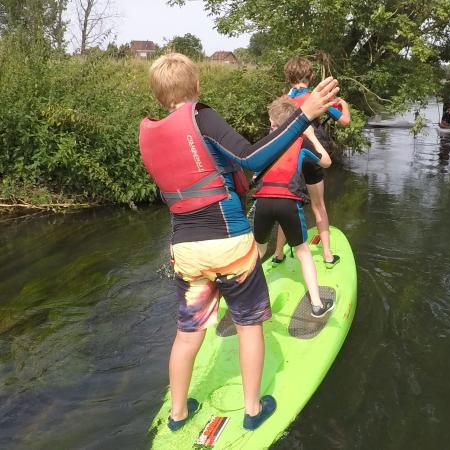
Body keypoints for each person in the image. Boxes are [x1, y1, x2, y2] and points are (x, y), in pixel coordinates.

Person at [138, 53, 339, 432]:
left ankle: (178, 414)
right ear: (196, 87)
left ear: (158, 95)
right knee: (249, 326)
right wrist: (304, 115)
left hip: (184, 249)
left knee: (188, 332)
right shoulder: (201, 116)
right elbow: (250, 159)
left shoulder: (152, 133)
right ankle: (251, 410)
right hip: (228, 244)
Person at [252, 97, 334, 318]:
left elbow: (251, 169)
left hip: (263, 203)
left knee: (257, 252)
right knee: (303, 252)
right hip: (288, 203)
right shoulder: (301, 142)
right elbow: (326, 162)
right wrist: (311, 136)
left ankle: (243, 299)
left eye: (270, 120)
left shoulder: (265, 143)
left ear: (273, 122)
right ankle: (317, 305)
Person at [271, 57, 350, 269]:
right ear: (311, 76)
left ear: (288, 78)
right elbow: (344, 121)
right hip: (312, 154)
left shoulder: (282, 102)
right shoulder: (318, 99)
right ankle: (327, 255)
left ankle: (278, 254)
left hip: (291, 157)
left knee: (287, 205)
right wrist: (344, 105)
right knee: (319, 206)